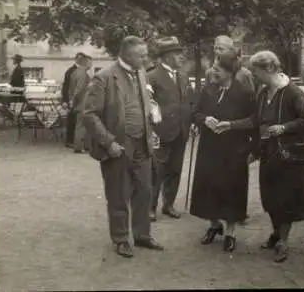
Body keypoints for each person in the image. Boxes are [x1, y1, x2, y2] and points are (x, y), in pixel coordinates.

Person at [83, 36, 164, 258]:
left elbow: (143, 104)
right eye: (142, 55)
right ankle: (120, 239)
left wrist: (151, 127)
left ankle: (142, 235)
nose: (146, 58)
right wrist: (109, 143)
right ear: (127, 55)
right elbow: (89, 115)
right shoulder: (104, 78)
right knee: (118, 194)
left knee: (145, 192)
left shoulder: (141, 72)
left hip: (142, 145)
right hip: (118, 147)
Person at [190, 51, 256, 252]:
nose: (213, 72)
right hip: (210, 148)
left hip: (234, 150)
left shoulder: (244, 93)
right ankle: (214, 225)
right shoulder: (208, 90)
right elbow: (195, 113)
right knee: (209, 187)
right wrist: (204, 119)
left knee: (231, 189)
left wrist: (231, 125)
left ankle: (230, 232)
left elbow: (254, 120)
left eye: (218, 69)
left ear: (229, 71)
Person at [248, 51, 304, 263]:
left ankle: (283, 240)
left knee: (286, 199)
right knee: (270, 197)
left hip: (289, 155)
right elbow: (258, 122)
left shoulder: (293, 93)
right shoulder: (263, 92)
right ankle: (276, 234)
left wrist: (284, 128)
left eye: (256, 71)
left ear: (270, 69)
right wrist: (254, 150)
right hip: (268, 153)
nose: (255, 76)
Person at [147, 36, 193, 221]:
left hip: (181, 131)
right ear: (165, 57)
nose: (181, 57)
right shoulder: (152, 76)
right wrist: (153, 127)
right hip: (161, 132)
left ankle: (169, 204)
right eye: (177, 53)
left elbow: (188, 101)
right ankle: (150, 207)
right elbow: (149, 104)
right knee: (156, 171)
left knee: (175, 169)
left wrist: (191, 121)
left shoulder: (182, 76)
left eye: (181, 53)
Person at [68, 53, 92, 153]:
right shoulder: (83, 74)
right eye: (91, 62)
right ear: (86, 63)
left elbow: (70, 89)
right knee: (81, 125)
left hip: (79, 103)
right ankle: (78, 147)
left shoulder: (75, 73)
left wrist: (71, 100)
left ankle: (85, 145)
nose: (91, 65)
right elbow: (79, 89)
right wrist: (74, 101)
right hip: (83, 103)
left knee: (83, 125)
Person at [61, 53, 84, 148]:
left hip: (77, 99)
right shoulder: (71, 71)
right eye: (80, 58)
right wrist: (65, 100)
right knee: (71, 120)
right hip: (72, 99)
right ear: (76, 59)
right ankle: (69, 140)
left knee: (74, 120)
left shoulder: (80, 70)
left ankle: (73, 140)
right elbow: (66, 86)